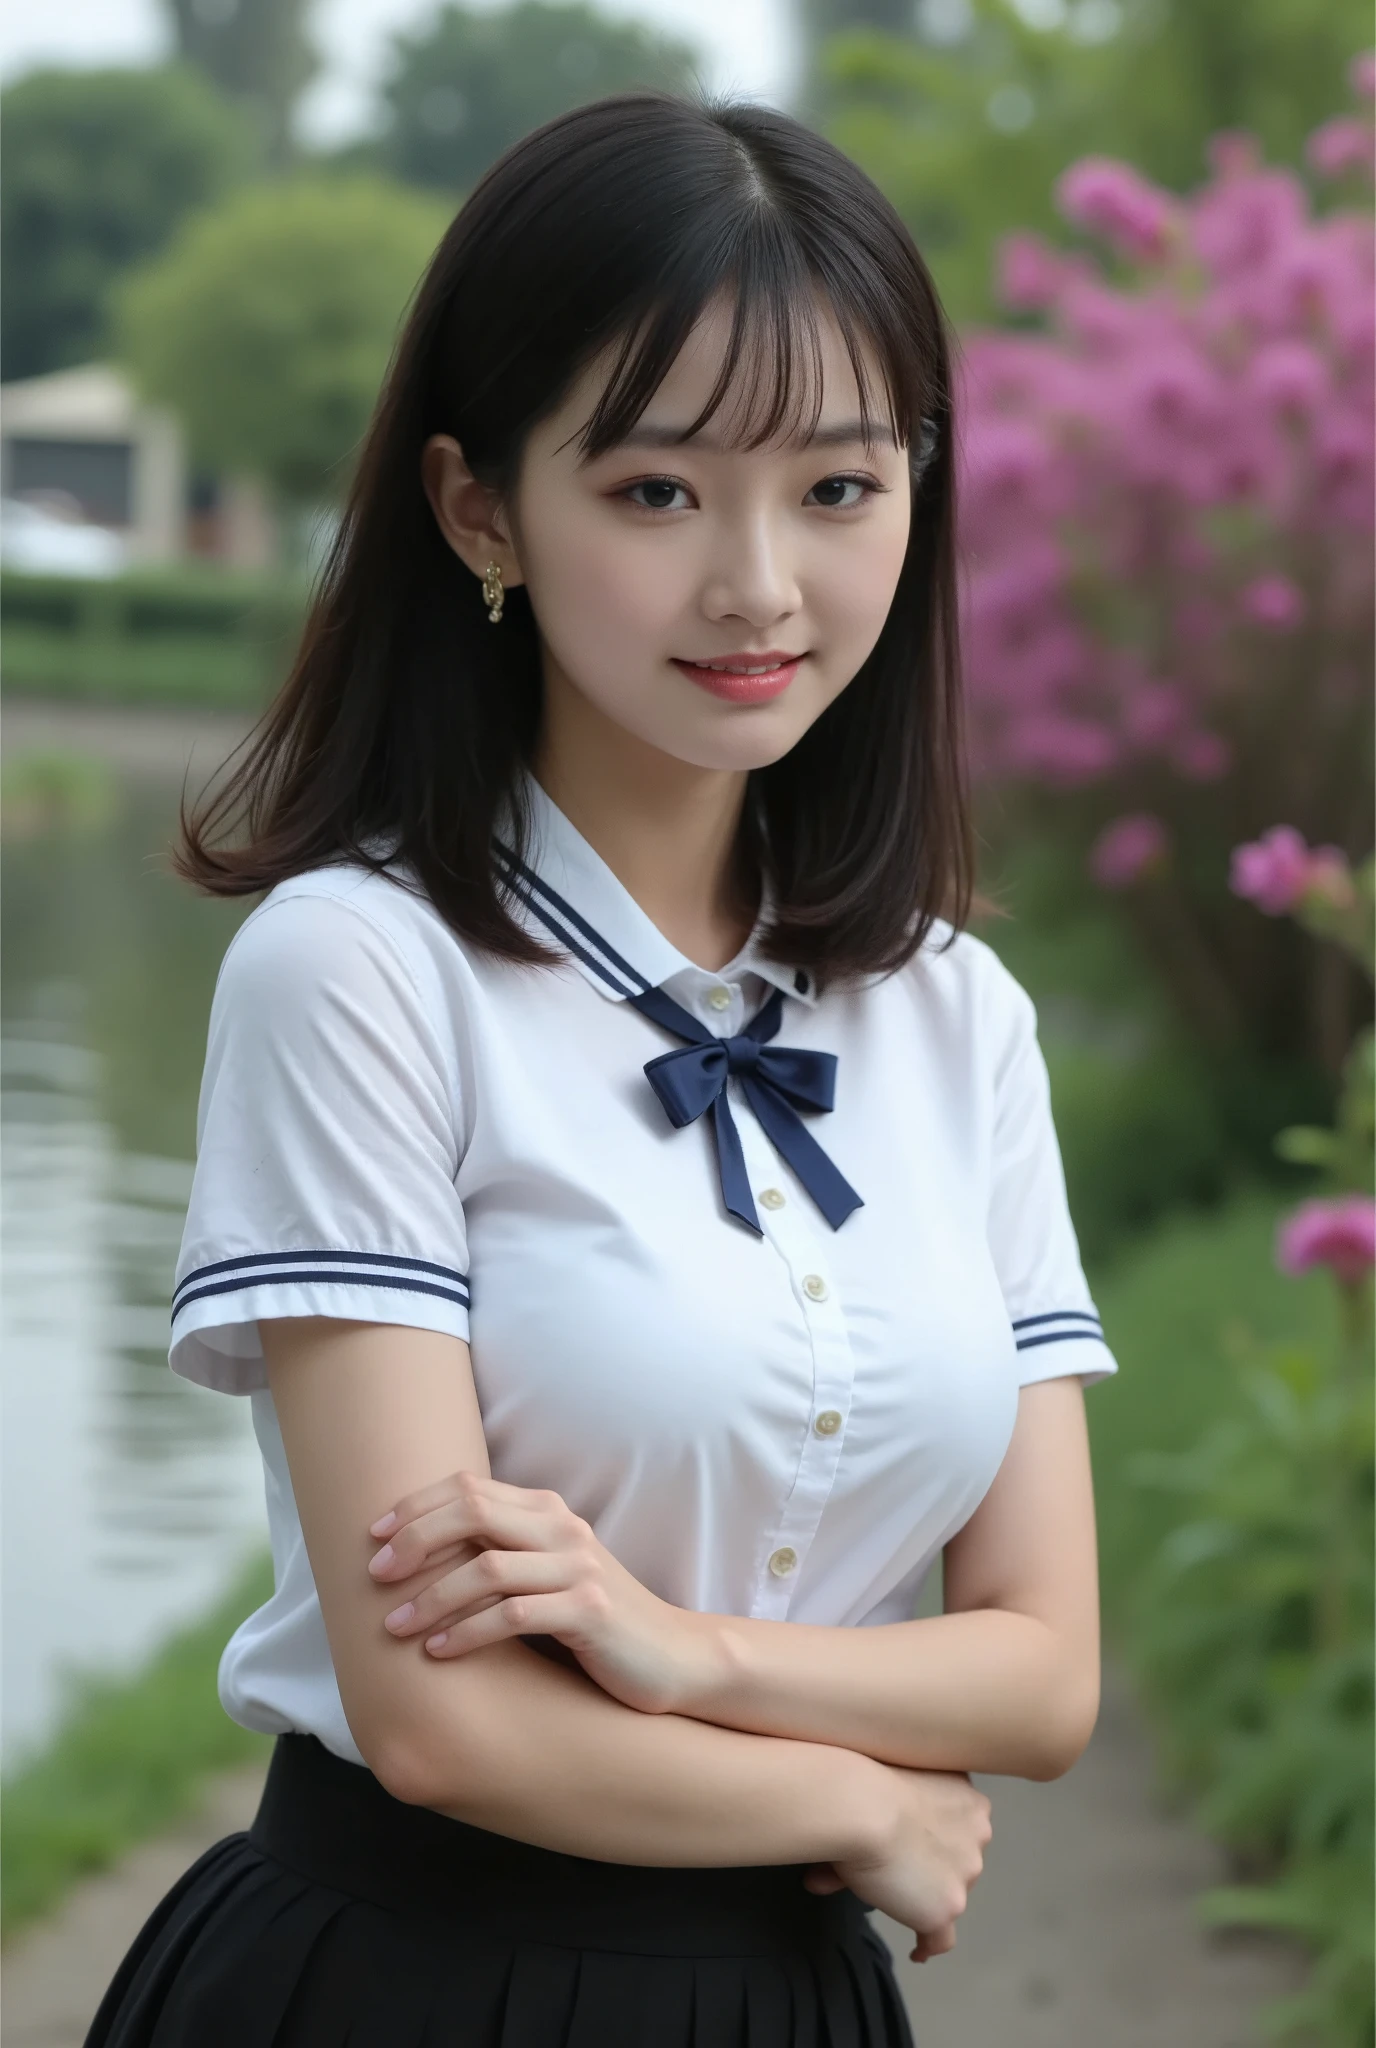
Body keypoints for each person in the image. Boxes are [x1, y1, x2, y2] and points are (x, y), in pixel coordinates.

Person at [85, 89, 1117, 2048]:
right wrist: (845, 1793)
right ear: (482, 509)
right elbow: (440, 1718)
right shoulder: (359, 971)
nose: (758, 586)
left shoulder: (956, 1018)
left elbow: (1045, 1672)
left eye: (837, 487)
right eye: (657, 492)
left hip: (789, 2003)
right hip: (408, 1984)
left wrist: (665, 1645)